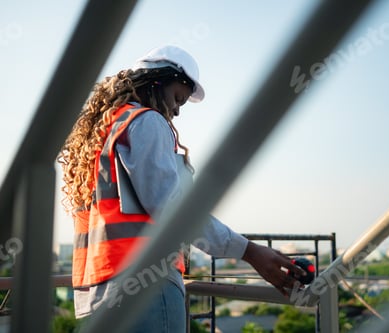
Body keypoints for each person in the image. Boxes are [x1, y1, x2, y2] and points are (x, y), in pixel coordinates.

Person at [57, 45, 305, 332]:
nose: (176, 110)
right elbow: (171, 210)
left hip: (101, 291)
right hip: (147, 287)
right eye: (177, 98)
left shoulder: (103, 133)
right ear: (157, 81)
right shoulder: (146, 121)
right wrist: (248, 251)